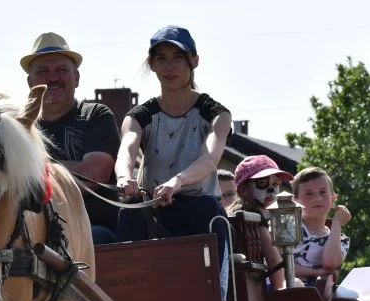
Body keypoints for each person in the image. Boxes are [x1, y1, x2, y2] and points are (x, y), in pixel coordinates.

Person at [113, 25, 232, 268]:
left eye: (178, 57)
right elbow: (127, 148)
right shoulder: (139, 116)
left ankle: (216, 296)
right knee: (129, 211)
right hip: (154, 208)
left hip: (198, 209)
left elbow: (209, 160)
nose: (170, 66)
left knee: (208, 208)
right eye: (161, 58)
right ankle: (125, 295)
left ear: (194, 61)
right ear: (152, 65)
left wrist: (177, 181)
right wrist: (125, 177)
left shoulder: (216, 114)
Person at [21, 32, 121, 244]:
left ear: (76, 78)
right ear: (30, 82)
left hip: (92, 230)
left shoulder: (96, 115)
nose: (53, 78)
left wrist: (34, 172)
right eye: (43, 72)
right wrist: (72, 168)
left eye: (61, 70)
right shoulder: (19, 128)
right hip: (34, 234)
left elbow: (93, 176)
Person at [229, 155, 293, 290]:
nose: (271, 190)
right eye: (263, 183)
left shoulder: (235, 213)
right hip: (255, 288)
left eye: (275, 184)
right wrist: (279, 292)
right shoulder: (252, 218)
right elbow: (273, 259)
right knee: (297, 284)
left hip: (241, 285)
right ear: (243, 189)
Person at [291, 166, 352, 289]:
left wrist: (337, 223)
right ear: (295, 200)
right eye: (309, 194)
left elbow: (330, 263)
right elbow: (276, 265)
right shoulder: (287, 227)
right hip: (287, 292)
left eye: (323, 192)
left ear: (333, 198)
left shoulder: (340, 239)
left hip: (321, 294)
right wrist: (316, 272)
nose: (317, 198)